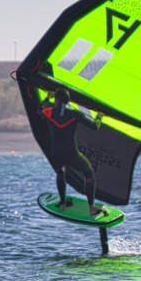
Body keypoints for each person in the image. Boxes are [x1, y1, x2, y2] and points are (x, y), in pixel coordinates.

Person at [41, 87, 104, 217]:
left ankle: (63, 203)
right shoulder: (75, 114)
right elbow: (95, 126)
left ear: (57, 100)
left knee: (60, 172)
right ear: (68, 101)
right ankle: (91, 207)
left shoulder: (48, 112)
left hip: (55, 153)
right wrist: (99, 116)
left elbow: (42, 107)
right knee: (89, 173)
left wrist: (48, 97)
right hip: (71, 154)